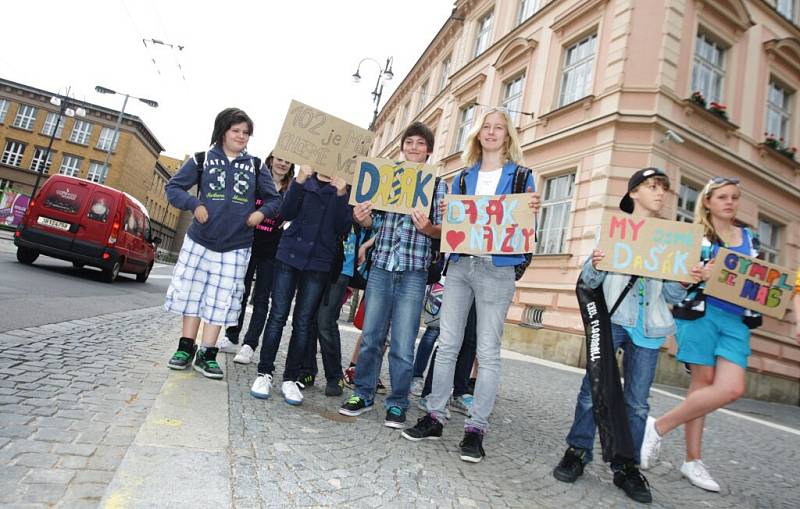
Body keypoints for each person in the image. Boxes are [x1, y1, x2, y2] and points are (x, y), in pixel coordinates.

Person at [549, 168, 702, 503]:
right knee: (593, 388)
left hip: (650, 327)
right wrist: (598, 263)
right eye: (652, 186)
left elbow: (674, 298)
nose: (660, 192)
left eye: (663, 187)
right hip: (613, 319)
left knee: (636, 402)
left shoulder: (673, 238)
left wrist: (684, 281)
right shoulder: (615, 229)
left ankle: (626, 466)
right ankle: (578, 450)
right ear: (634, 192)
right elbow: (589, 281)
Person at [401, 108, 540, 462]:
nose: (492, 132)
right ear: (478, 135)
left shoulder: (523, 178)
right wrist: (447, 217)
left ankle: (476, 428)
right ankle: (434, 415)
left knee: (488, 352)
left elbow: (525, 230)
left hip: (497, 269)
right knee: (447, 344)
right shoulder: (461, 179)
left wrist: (530, 212)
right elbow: (452, 229)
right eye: (486, 127)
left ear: (508, 136)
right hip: (461, 265)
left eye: (499, 128)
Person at [639, 177, 766, 492]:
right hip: (700, 314)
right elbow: (676, 275)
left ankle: (658, 425)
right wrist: (695, 274)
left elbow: (762, 280)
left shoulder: (751, 239)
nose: (729, 202)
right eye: (722, 196)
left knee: (732, 389)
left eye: (735, 197)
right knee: (702, 386)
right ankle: (693, 461)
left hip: (737, 319)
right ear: (707, 202)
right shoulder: (696, 238)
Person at [339, 122, 446, 429]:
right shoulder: (386, 177)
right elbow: (374, 222)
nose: (413, 147)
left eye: (419, 143)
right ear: (403, 147)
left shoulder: (438, 185)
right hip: (382, 267)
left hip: (413, 271)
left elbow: (443, 230)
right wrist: (362, 218)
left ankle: (398, 402)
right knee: (371, 336)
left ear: (428, 149)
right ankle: (362, 392)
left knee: (402, 341)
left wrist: (428, 228)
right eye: (409, 142)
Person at [164, 108, 280, 379]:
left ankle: (208, 353)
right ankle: (185, 347)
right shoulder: (202, 160)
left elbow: (275, 200)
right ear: (222, 131)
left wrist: (260, 213)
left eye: (246, 132)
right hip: (199, 241)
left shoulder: (255, 165)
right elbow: (173, 188)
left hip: (236, 245)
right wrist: (194, 204)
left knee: (222, 299)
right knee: (192, 294)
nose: (242, 136)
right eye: (236, 131)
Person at [249, 165, 351, 405]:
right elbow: (285, 212)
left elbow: (343, 228)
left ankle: (290, 378)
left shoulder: (342, 189)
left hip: (318, 263)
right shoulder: (304, 181)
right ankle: (264, 372)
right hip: (288, 256)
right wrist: (298, 181)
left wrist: (340, 194)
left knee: (303, 322)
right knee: (277, 316)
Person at [214, 153, 293, 361]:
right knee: (239, 292)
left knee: (261, 299)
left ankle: (250, 344)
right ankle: (231, 337)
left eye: (287, 161)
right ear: (271, 160)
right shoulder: (256, 181)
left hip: (273, 251)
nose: (283, 163)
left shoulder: (292, 190)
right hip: (246, 243)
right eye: (280, 159)